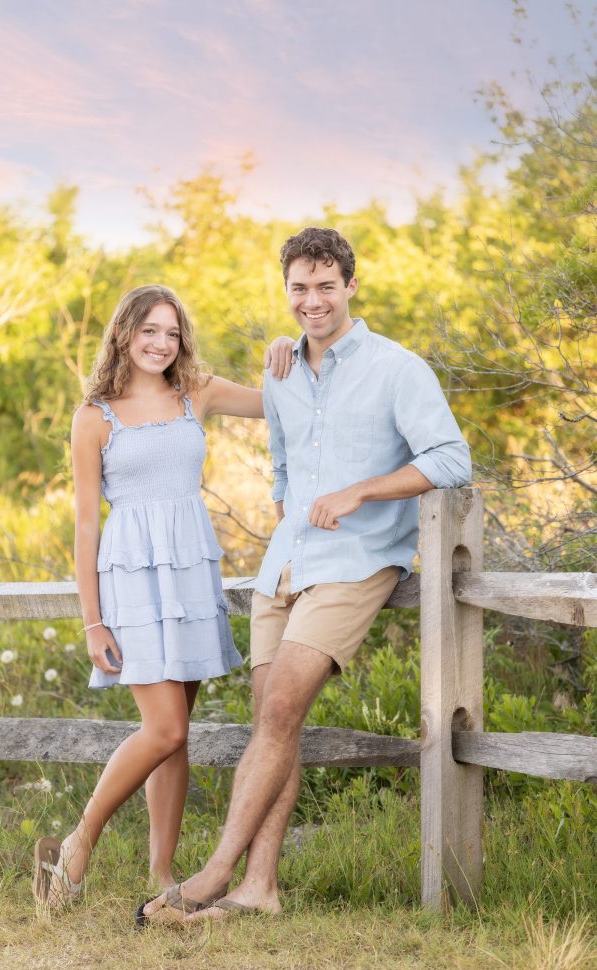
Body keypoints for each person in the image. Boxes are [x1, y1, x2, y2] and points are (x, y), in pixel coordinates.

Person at [141, 227, 472, 922]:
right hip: (285, 565)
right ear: (285, 290)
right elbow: (283, 467)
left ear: (351, 285)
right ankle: (260, 888)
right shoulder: (281, 369)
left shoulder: (396, 367)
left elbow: (449, 459)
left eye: (325, 286)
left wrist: (361, 491)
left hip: (356, 564)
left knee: (281, 711)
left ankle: (212, 874)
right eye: (299, 288)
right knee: (271, 720)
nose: (312, 300)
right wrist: (293, 508)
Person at [32, 284, 293, 908]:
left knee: (178, 732)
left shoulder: (195, 391)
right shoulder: (94, 415)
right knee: (165, 727)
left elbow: (279, 401)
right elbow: (87, 524)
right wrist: (93, 622)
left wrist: (289, 346)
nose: (161, 343)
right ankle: (79, 841)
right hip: (131, 577)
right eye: (149, 330)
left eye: (171, 332)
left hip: (189, 570)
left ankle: (161, 875)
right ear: (124, 332)